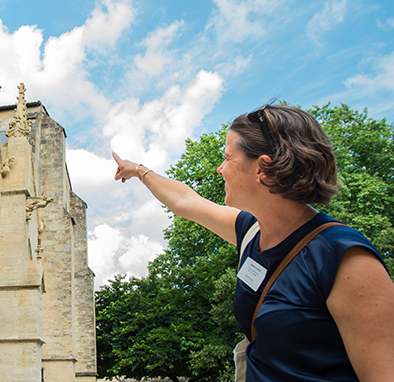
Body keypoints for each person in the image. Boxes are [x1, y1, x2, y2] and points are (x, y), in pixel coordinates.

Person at [112, 103, 394, 381]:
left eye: (228, 158)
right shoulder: (251, 231)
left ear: (263, 168)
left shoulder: (345, 259)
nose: (220, 169)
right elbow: (185, 201)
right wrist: (138, 170)